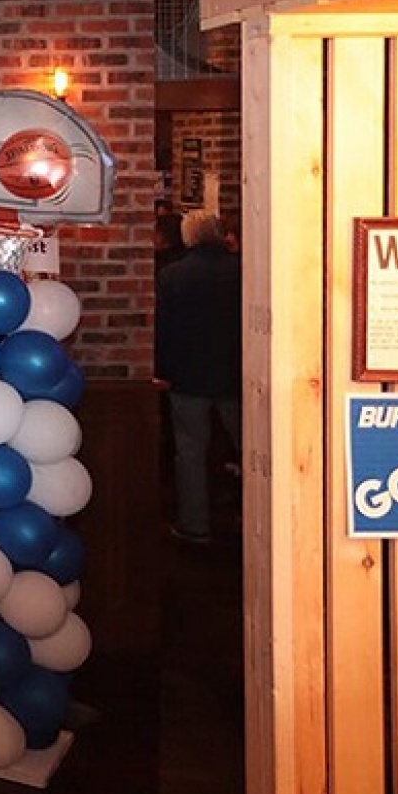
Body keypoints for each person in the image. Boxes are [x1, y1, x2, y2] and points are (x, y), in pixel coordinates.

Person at [155, 208, 243, 545]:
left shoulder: (173, 276)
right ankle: (252, 516)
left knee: (190, 452)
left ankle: (195, 525)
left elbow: (164, 328)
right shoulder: (241, 271)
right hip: (235, 374)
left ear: (187, 236)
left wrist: (163, 370)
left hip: (188, 375)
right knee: (248, 449)